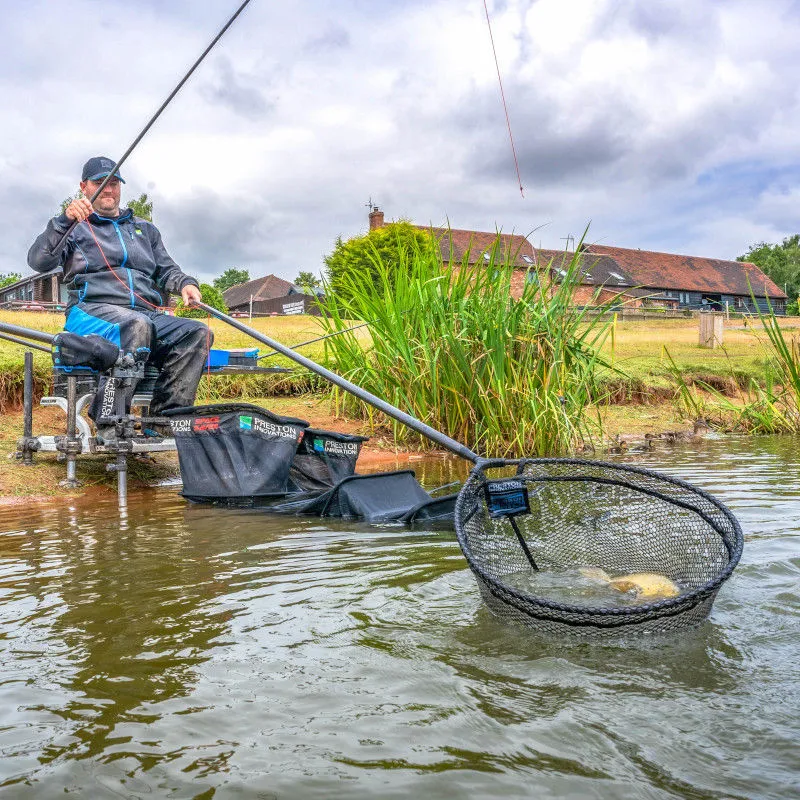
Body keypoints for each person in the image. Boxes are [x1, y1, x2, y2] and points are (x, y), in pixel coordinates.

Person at [28, 156, 211, 437]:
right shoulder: (73, 227)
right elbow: (38, 261)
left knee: (197, 332)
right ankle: (109, 421)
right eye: (100, 183)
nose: (109, 190)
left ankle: (163, 421)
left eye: (113, 183)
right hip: (91, 310)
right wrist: (63, 221)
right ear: (84, 187)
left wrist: (186, 283)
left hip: (145, 315)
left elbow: (167, 269)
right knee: (135, 325)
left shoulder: (145, 230)